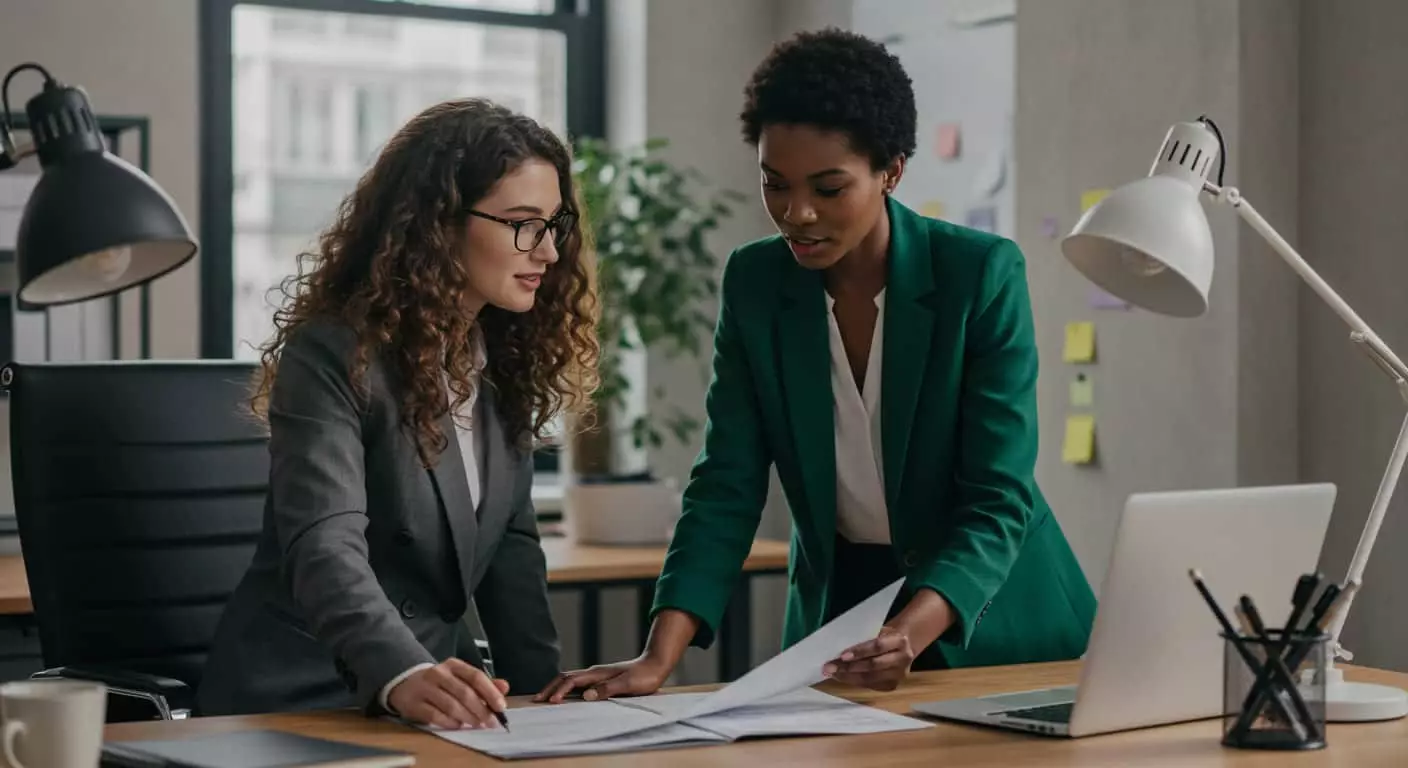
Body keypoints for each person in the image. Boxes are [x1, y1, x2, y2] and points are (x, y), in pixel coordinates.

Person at [536, 28, 1095, 704]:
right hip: (843, 615)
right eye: (775, 184)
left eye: (829, 189)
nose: (796, 214)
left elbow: (996, 498)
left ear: (892, 170)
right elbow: (727, 483)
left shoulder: (978, 274)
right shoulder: (756, 282)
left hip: (995, 621)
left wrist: (911, 634)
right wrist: (659, 658)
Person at [197, 98, 597, 729]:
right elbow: (325, 546)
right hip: (306, 696)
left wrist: (547, 704)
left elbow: (511, 558)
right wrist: (402, 673)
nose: (548, 253)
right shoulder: (334, 352)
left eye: (555, 225)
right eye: (524, 224)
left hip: (443, 707)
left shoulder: (506, 364)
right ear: (439, 223)